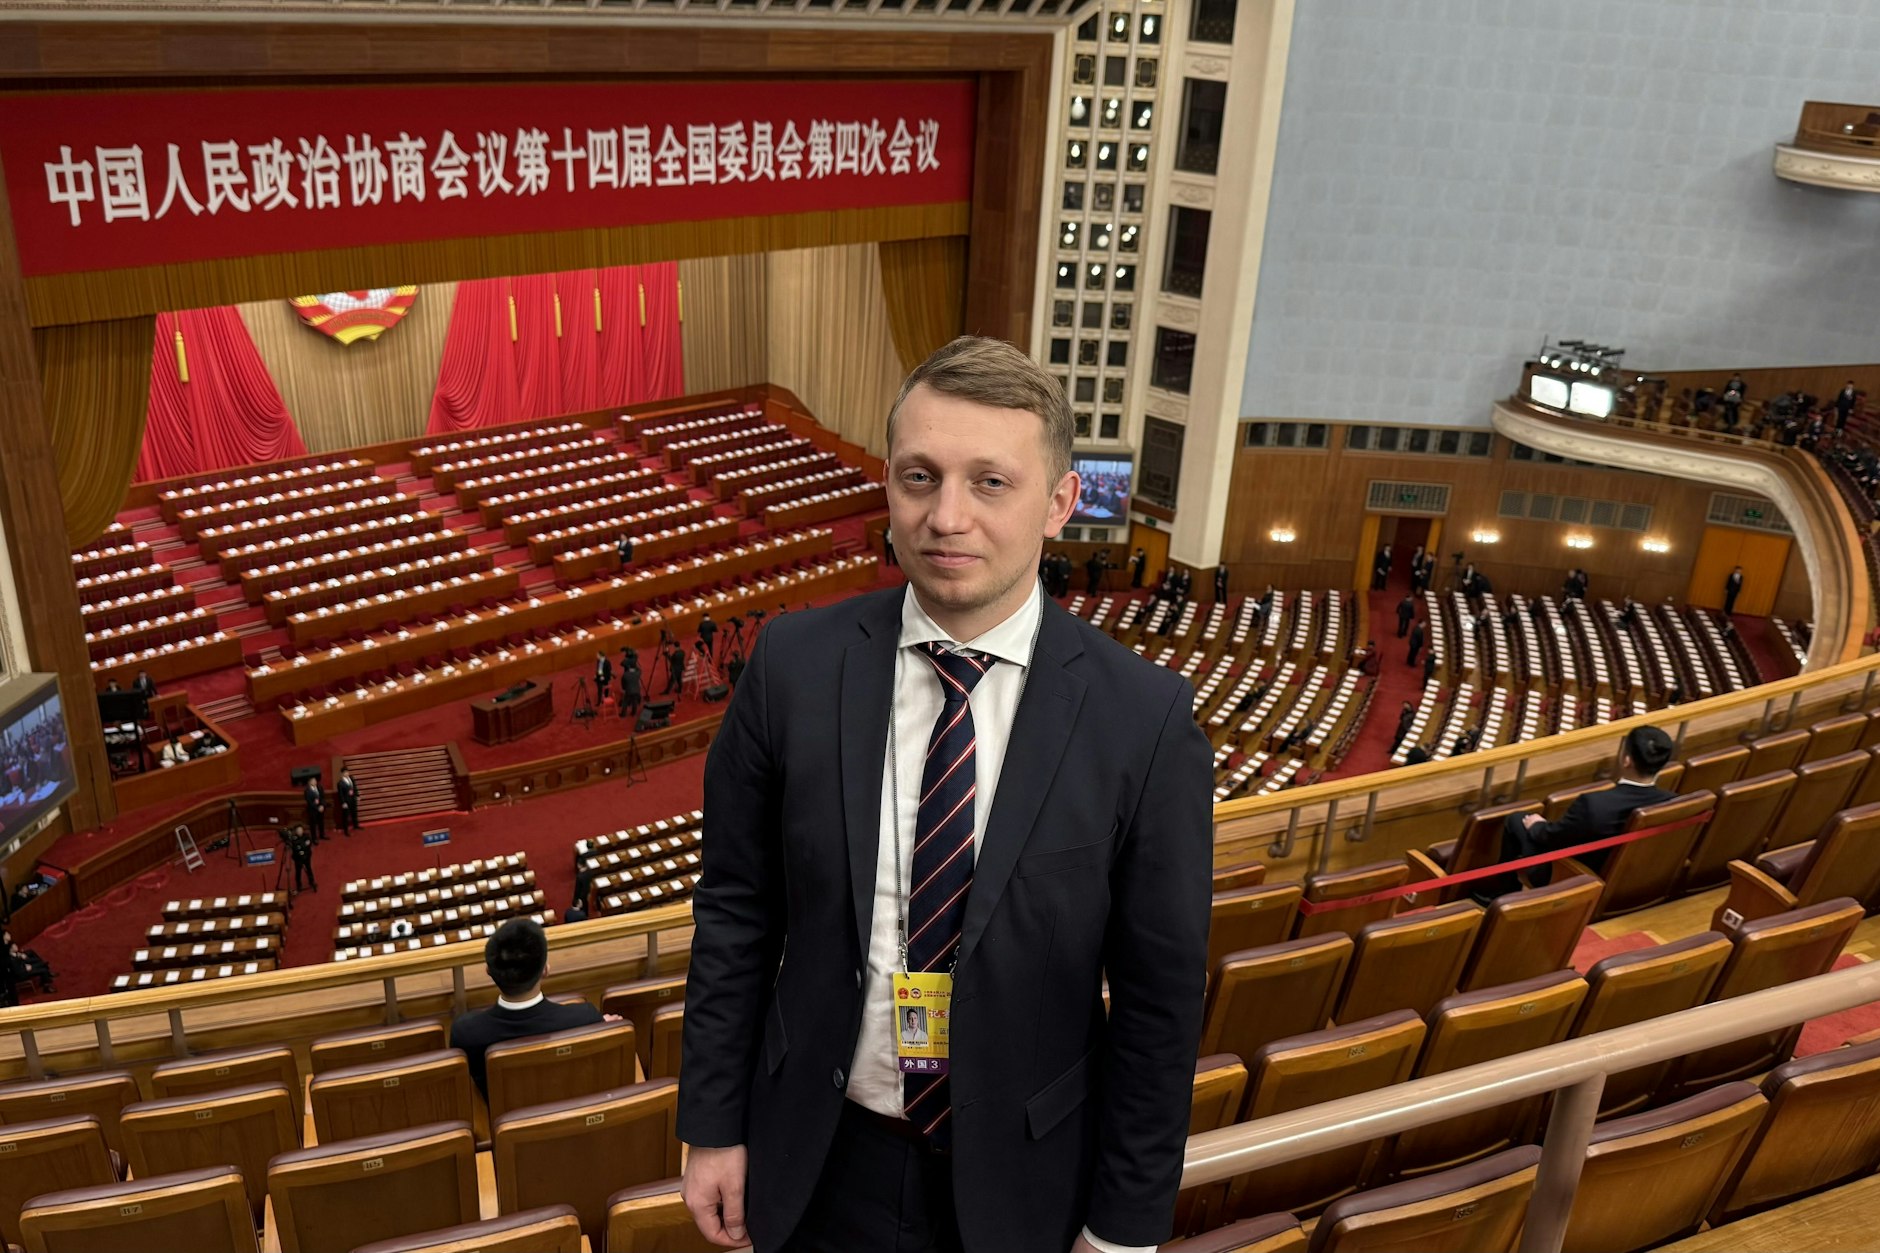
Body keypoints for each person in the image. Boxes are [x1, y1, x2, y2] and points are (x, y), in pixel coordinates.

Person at [678, 337, 1211, 1253]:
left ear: (1059, 504)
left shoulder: (1145, 720)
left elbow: (1160, 1003)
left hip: (1025, 1179)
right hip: (814, 1152)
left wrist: (1124, 1229)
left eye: (990, 483)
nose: (945, 516)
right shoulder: (791, 667)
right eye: (919, 477)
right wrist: (714, 1122)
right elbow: (736, 912)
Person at [1476, 726, 1678, 902]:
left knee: (1516, 819)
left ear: (1626, 760)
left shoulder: (1593, 804)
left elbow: (1553, 838)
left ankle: (1503, 893)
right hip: (1631, 876)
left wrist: (1537, 825)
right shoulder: (1671, 801)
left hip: (1571, 875)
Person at [449, 918, 606, 1098]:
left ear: (489, 972)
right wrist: (603, 1026)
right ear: (545, 970)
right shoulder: (586, 1018)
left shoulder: (465, 1033)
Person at [286, 823, 317, 893]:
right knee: (298, 871)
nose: (300, 831)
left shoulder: (307, 836)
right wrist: (304, 844)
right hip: (298, 858)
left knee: (309, 868)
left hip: (307, 856)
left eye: (301, 830)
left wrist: (301, 845)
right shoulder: (293, 838)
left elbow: (309, 844)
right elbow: (296, 847)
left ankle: (311, 881)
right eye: (298, 830)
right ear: (296, 831)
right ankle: (299, 884)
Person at [302, 775, 327, 842]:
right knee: (313, 825)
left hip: (321, 808)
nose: (315, 782)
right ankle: (314, 838)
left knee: (321, 822)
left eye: (315, 780)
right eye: (313, 781)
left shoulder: (319, 787)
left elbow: (323, 798)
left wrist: (322, 805)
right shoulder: (307, 791)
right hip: (313, 810)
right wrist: (317, 808)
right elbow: (309, 802)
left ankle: (322, 835)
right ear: (309, 782)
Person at [619, 649, 643, 719]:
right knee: (634, 701)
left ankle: (623, 714)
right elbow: (639, 670)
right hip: (636, 690)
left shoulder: (625, 675)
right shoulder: (637, 673)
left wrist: (624, 689)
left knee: (625, 702)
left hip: (629, 690)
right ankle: (633, 713)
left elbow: (623, 684)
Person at [336, 766, 360, 836]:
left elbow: (355, 787)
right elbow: (340, 794)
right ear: (342, 774)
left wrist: (357, 795)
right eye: (345, 772)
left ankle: (356, 825)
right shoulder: (340, 783)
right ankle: (346, 830)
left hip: (353, 799)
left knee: (354, 813)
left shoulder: (351, 779)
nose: (347, 773)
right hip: (346, 801)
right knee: (346, 816)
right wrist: (343, 803)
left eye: (347, 772)